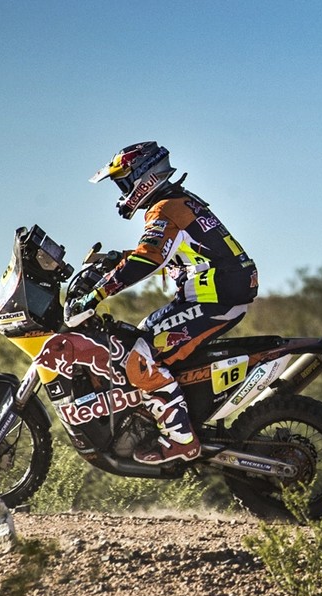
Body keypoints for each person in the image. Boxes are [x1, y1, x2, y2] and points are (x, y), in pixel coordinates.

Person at [64, 142, 258, 463]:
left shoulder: (164, 208)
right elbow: (166, 253)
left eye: (125, 182)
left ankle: (182, 439)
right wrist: (112, 260)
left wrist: (97, 294)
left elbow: (150, 256)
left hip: (215, 297)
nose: (123, 191)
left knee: (137, 358)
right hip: (217, 292)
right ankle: (174, 413)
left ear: (145, 175)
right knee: (140, 336)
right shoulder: (178, 202)